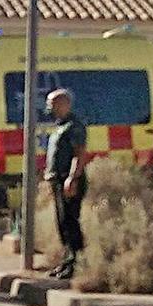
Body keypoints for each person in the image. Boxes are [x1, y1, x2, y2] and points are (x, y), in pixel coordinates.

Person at [44, 88, 88, 282]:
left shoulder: (74, 126)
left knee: (71, 222)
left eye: (52, 104)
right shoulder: (60, 125)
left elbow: (79, 154)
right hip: (58, 180)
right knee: (62, 223)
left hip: (69, 180)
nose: (49, 108)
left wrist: (72, 178)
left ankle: (78, 263)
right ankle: (67, 260)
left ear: (64, 104)